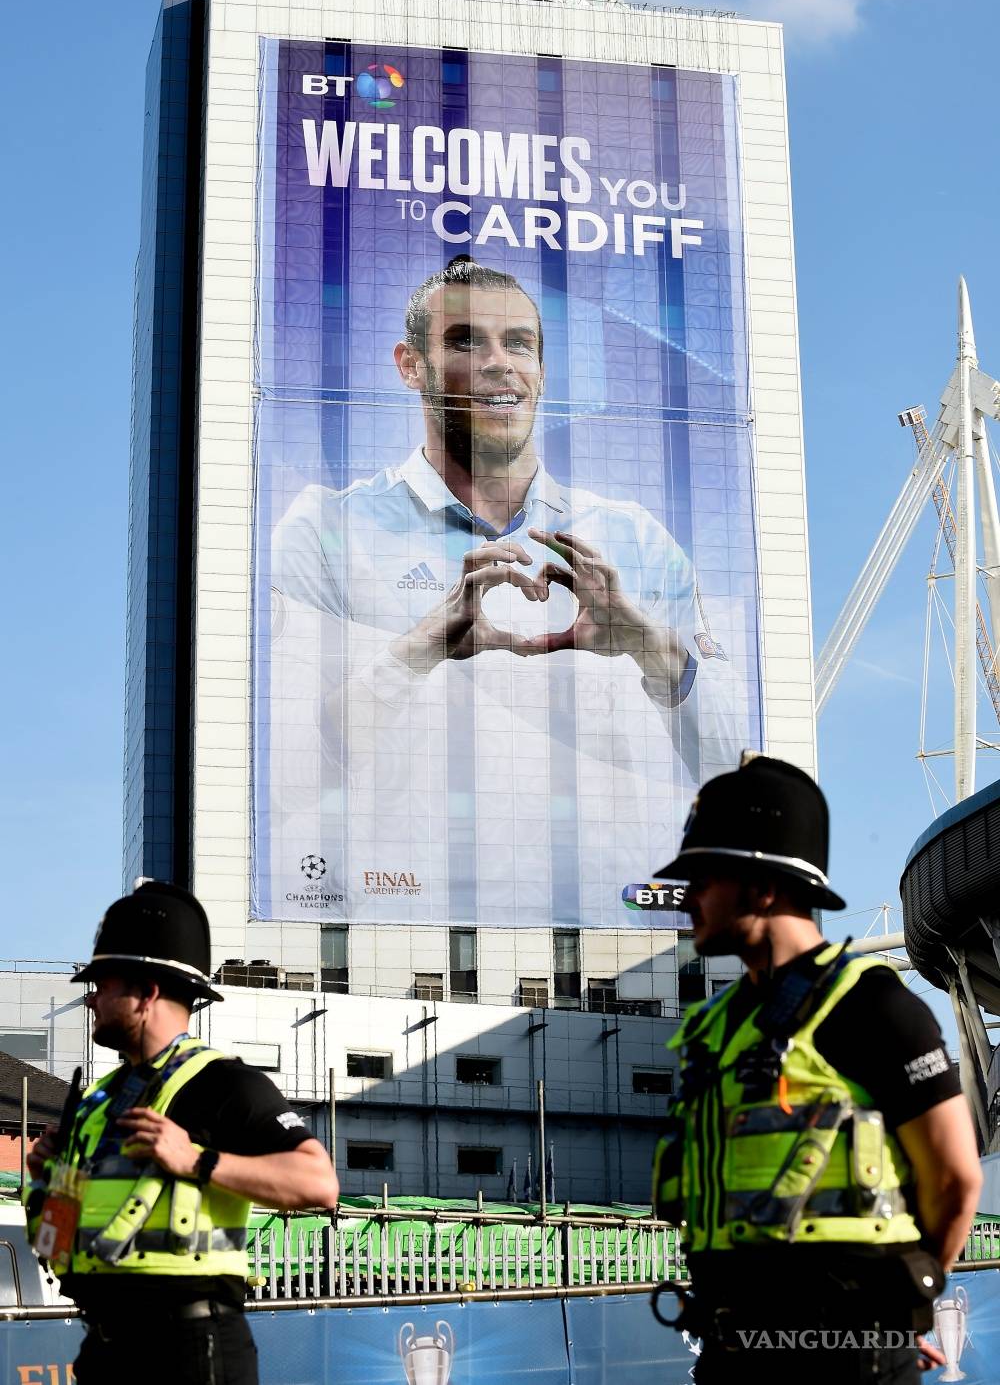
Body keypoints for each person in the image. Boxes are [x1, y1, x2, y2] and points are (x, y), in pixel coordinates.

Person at [265, 257, 749, 925]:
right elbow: (278, 779)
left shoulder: (635, 539)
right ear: (411, 366)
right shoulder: (326, 531)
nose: (500, 364)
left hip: (616, 938)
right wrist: (412, 655)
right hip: (398, 928)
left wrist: (652, 648)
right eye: (466, 342)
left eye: (519, 344)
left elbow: (738, 777)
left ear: (541, 370)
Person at [650, 753, 982, 1383]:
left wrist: (895, 1319)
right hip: (731, 1353)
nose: (687, 898)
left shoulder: (871, 1006)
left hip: (845, 1360)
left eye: (704, 878)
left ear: (764, 887)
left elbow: (955, 1180)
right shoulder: (711, 1027)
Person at [25, 879, 339, 1384]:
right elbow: (59, 1242)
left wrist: (195, 1160)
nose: (90, 1000)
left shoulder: (224, 1083)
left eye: (103, 984)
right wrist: (47, 1180)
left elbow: (319, 1184)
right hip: (105, 1346)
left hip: (190, 1349)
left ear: (146, 993)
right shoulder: (97, 1100)